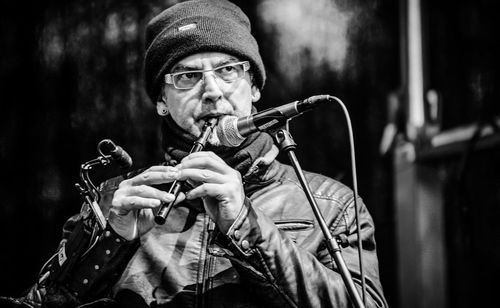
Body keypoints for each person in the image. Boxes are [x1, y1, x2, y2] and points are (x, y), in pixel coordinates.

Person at [3, 0, 387, 307]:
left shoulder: (332, 204)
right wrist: (110, 241)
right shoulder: (115, 202)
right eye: (187, 76)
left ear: (253, 88)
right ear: (162, 102)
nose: (212, 90)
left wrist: (245, 225)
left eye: (228, 71)